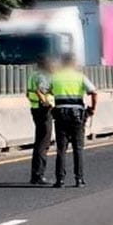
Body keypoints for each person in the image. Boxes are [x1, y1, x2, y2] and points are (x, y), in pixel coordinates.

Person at [50, 53, 98, 188]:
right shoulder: (80, 77)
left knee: (61, 149)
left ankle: (60, 180)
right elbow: (94, 92)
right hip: (77, 115)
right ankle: (79, 179)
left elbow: (42, 90)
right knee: (78, 148)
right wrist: (92, 109)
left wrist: (49, 106)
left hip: (60, 114)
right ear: (73, 63)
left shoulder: (56, 77)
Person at [27, 56, 55, 185]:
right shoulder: (43, 76)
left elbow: (28, 93)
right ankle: (38, 175)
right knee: (43, 143)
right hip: (43, 110)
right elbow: (40, 90)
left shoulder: (33, 75)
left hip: (35, 108)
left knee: (39, 141)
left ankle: (35, 175)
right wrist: (46, 103)